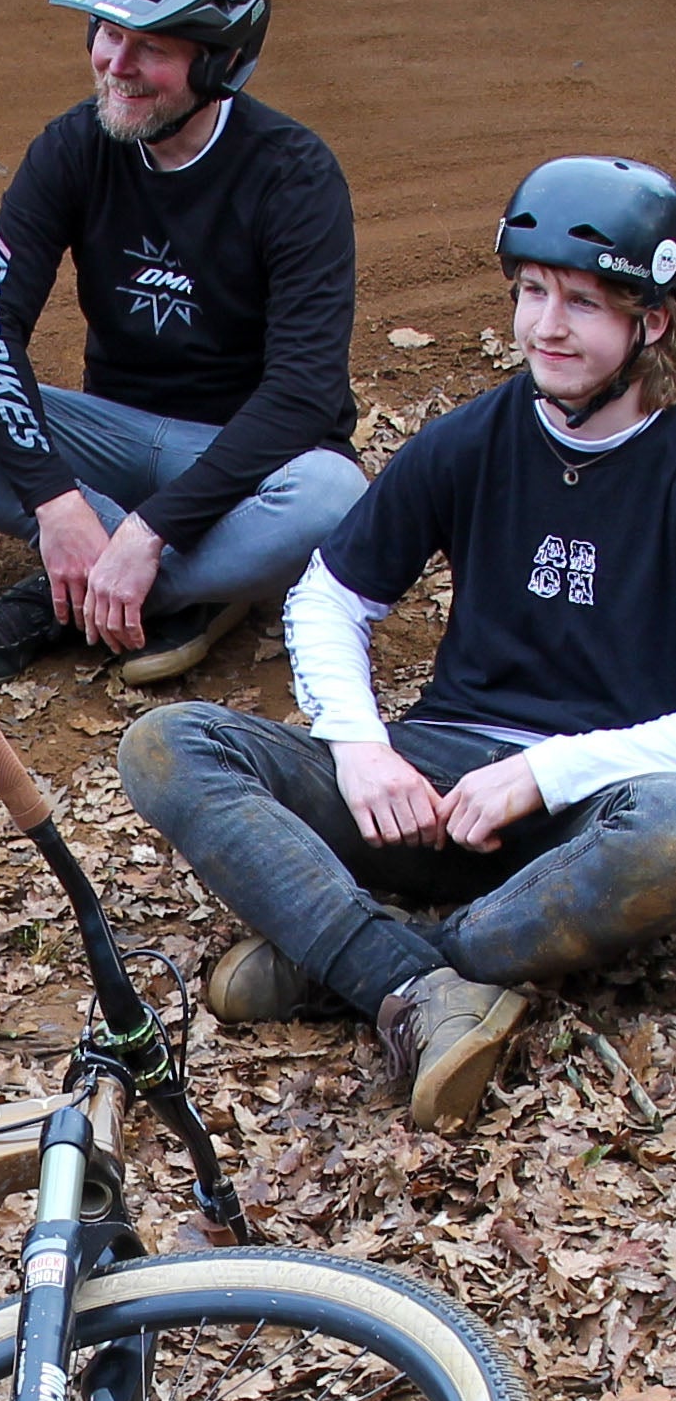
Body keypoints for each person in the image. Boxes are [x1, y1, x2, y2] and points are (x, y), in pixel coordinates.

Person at [121, 156, 676, 1132]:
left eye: (582, 303)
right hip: (431, 788)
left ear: (650, 322)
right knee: (166, 744)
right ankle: (406, 971)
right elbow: (327, 594)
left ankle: (365, 957)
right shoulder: (469, 437)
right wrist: (358, 743)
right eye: (530, 292)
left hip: (594, 808)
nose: (545, 325)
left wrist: (548, 773)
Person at [0, 0, 367, 691]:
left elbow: (303, 395)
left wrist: (151, 532)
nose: (114, 63)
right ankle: (193, 588)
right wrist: (56, 502)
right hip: (109, 436)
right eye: (106, 33)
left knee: (333, 495)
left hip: (236, 457)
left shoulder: (293, 175)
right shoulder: (72, 146)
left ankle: (73, 594)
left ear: (219, 61)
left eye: (151, 48)